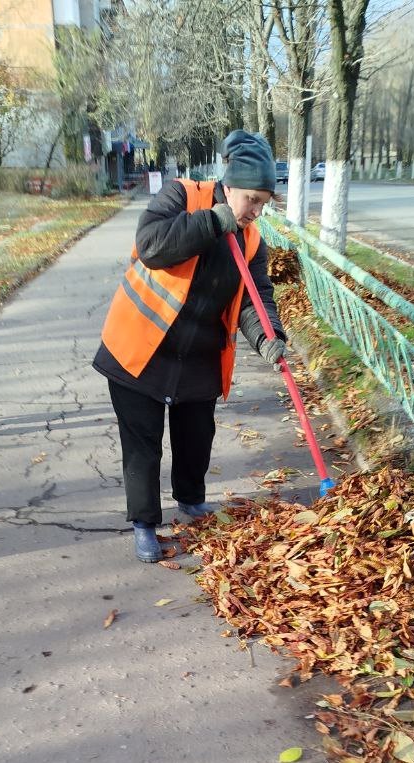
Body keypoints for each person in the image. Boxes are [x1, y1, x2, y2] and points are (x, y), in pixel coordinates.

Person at [93, 130, 286, 563]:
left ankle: (191, 501)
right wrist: (215, 221)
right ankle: (144, 525)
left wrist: (270, 338)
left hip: (198, 354)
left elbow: (256, 299)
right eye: (251, 199)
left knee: (196, 435)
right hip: (141, 347)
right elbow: (151, 246)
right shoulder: (183, 195)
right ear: (230, 186)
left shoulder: (253, 241)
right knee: (142, 444)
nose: (255, 211)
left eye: (263, 203)